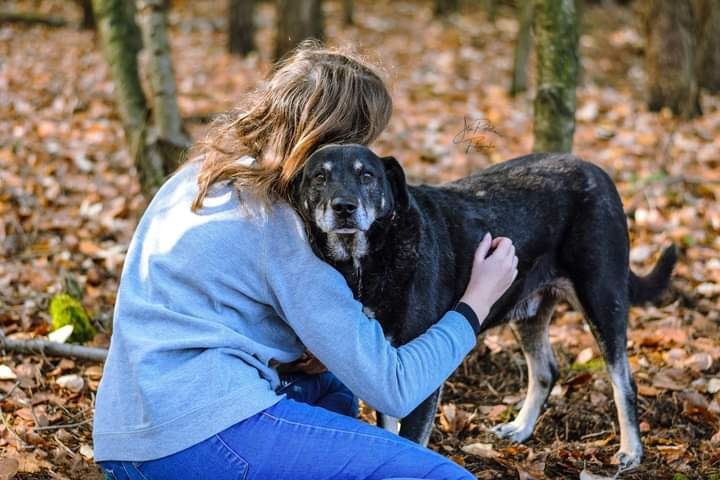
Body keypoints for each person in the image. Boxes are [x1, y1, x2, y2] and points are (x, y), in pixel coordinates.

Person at [93, 44, 518, 480]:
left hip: (126, 436)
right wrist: (476, 302)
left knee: (331, 390)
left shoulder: (201, 176)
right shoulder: (280, 226)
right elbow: (397, 389)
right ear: (328, 143)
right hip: (197, 439)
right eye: (358, 143)